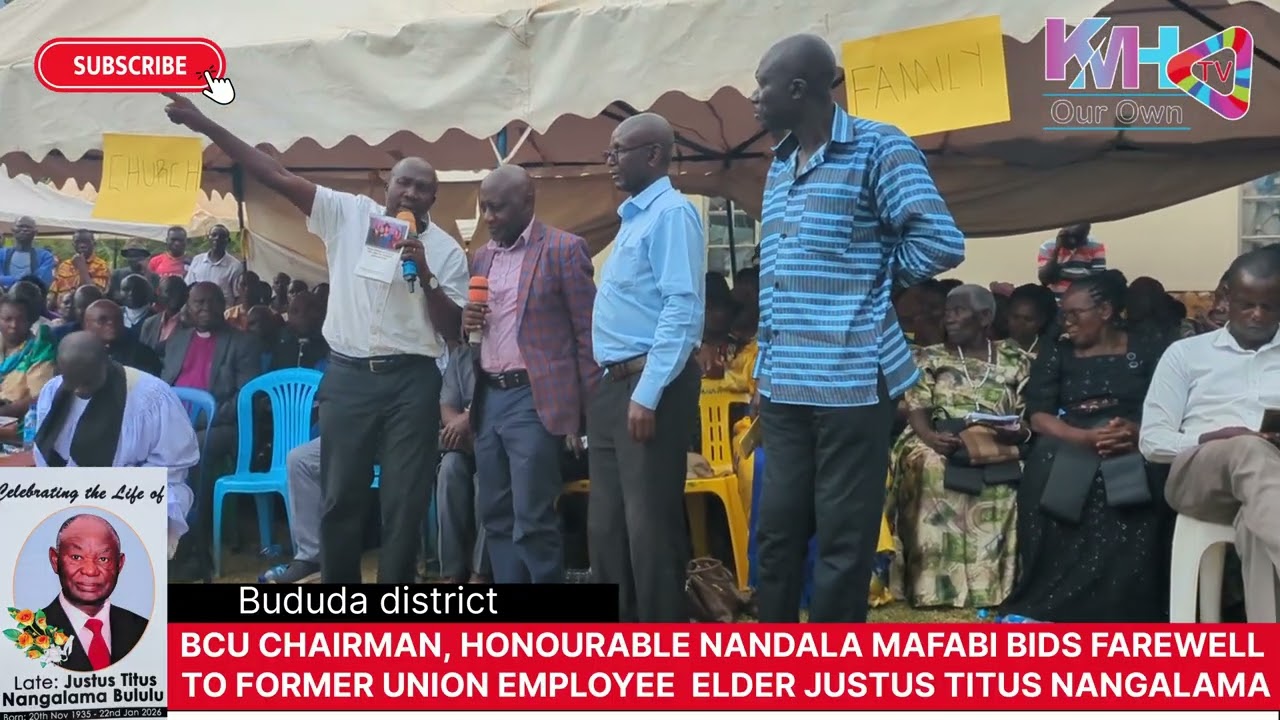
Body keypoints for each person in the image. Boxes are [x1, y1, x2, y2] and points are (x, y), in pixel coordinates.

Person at [162, 91, 468, 584]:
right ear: (388, 185)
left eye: (422, 188)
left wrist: (425, 272)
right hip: (348, 378)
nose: (410, 194)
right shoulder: (348, 214)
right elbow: (276, 174)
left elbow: (453, 331)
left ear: (434, 198)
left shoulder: (446, 251)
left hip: (412, 383)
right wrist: (209, 127)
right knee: (339, 497)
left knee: (404, 500)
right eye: (403, 183)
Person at [749, 34, 966, 623]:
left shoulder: (878, 147)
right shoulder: (779, 164)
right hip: (785, 382)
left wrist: (873, 280)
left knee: (843, 544)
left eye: (761, 86)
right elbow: (777, 284)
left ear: (798, 89)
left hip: (851, 379)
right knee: (776, 536)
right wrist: (762, 373)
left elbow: (941, 240)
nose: (753, 100)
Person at [1001, 270, 1171, 622]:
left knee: (1146, 473)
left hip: (1130, 436)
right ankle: (1056, 597)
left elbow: (1167, 407)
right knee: (1047, 463)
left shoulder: (1147, 346)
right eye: (1064, 314)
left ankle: (1125, 601)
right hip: (1070, 434)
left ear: (1105, 311)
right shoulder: (1057, 349)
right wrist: (1083, 438)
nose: (1067, 322)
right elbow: (1039, 415)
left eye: (1075, 314)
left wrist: (1137, 432)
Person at [589, 113, 705, 621]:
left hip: (648, 384)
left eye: (618, 150)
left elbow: (682, 310)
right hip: (613, 384)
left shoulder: (672, 214)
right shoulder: (634, 217)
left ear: (654, 155)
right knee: (607, 528)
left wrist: (647, 392)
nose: (609, 159)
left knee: (649, 529)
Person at [462, 165, 599, 584]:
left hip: (534, 398)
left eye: (497, 208)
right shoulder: (481, 257)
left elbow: (587, 334)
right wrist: (466, 320)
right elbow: (477, 332)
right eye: (484, 207)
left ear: (527, 202)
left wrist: (582, 413)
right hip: (489, 397)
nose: (488, 217)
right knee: (496, 515)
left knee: (532, 517)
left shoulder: (563, 249)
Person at [1141, 249, 1280, 621]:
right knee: (1246, 448)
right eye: (1247, 304)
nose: (1257, 315)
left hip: (1270, 486)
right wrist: (1214, 438)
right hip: (1199, 477)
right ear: (1225, 298)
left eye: (1269, 307)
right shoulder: (1185, 354)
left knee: (1256, 525)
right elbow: (1152, 442)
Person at [888, 285, 1030, 609]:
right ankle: (934, 588)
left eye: (958, 311)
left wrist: (1017, 433)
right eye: (947, 310)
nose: (947, 317)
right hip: (938, 436)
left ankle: (992, 589)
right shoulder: (929, 356)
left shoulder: (1016, 360)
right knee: (930, 466)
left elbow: (1027, 414)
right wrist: (930, 438)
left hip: (996, 441)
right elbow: (916, 407)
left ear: (985, 317)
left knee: (1013, 474)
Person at [33, 333, 198, 556]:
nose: (80, 389)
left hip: (135, 487)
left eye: (88, 381)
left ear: (106, 361)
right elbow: (46, 452)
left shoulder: (150, 396)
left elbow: (175, 462)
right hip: (73, 487)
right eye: (73, 382)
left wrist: (116, 485)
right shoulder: (54, 391)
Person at [160, 282, 263, 581]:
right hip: (175, 424)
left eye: (211, 302)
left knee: (194, 454)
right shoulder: (177, 340)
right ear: (188, 308)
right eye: (198, 303)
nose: (204, 309)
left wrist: (206, 419)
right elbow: (164, 385)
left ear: (223, 305)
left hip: (221, 427)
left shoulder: (243, 343)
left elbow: (246, 397)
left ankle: (194, 550)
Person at [40, 515, 148, 672]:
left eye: (103, 559)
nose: (90, 570)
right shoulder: (31, 634)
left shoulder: (143, 629)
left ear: (120, 564)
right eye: (76, 557)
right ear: (55, 560)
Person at [437, 342, 490, 584]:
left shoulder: (508, 349)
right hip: (465, 443)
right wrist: (455, 427)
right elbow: (447, 405)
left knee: (486, 480)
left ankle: (481, 573)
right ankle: (452, 572)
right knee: (449, 470)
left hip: (497, 442)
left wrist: (468, 421)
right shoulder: (461, 356)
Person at [0, 295, 57, 428]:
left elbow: (39, 397)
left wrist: (4, 412)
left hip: (19, 424)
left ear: (31, 321)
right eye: (8, 319)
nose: (14, 325)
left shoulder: (40, 350)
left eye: (21, 320)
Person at [81, 299, 163, 376]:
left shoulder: (144, 356)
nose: (111, 323)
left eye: (117, 319)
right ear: (87, 325)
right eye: (102, 320)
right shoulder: (76, 354)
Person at [1037, 223, 1105, 300]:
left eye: (1078, 237)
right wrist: (1057, 249)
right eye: (1072, 236)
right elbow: (1045, 280)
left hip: (1082, 302)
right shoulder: (1047, 246)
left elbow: (1098, 281)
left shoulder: (1096, 246)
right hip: (1054, 302)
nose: (1074, 241)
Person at [271, 286, 328, 371]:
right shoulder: (279, 337)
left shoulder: (327, 344)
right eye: (290, 311)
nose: (290, 316)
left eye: (294, 311)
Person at [184, 224, 243, 301]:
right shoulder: (197, 260)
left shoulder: (235, 266)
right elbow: (188, 287)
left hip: (223, 311)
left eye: (222, 236)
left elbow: (238, 296)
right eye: (214, 235)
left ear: (228, 241)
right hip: (197, 310)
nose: (217, 238)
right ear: (208, 238)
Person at [50, 230, 110, 300]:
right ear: (73, 245)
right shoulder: (64, 265)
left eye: (86, 242)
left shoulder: (101, 265)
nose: (82, 245)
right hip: (62, 308)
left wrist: (81, 267)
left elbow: (94, 295)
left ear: (94, 244)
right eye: (78, 242)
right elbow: (53, 292)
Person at [0, 216, 56, 289]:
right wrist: (24, 280)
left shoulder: (45, 256)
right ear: (13, 230)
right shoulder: (1, 254)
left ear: (35, 232)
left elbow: (42, 280)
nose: (24, 229)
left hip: (33, 298)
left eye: (28, 227)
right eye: (20, 226)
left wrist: (9, 280)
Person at [139, 276, 188, 356]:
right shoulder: (149, 323)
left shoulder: (192, 325)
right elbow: (141, 353)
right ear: (159, 294)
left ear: (186, 295)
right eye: (169, 291)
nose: (174, 296)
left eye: (179, 291)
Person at [1005, 283, 1058, 356]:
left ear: (1042, 321)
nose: (1020, 324)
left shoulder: (1051, 353)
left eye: (1028, 319)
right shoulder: (993, 349)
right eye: (1015, 317)